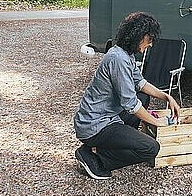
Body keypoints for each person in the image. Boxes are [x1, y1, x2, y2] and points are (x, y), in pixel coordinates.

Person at [73, 12, 181, 179]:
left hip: (107, 117)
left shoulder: (125, 54)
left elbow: (140, 83)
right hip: (95, 126)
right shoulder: (118, 59)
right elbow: (130, 103)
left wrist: (167, 97)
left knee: (143, 97)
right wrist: (157, 122)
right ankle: (96, 159)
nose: (151, 44)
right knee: (151, 148)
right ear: (139, 36)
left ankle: (111, 145)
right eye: (150, 39)